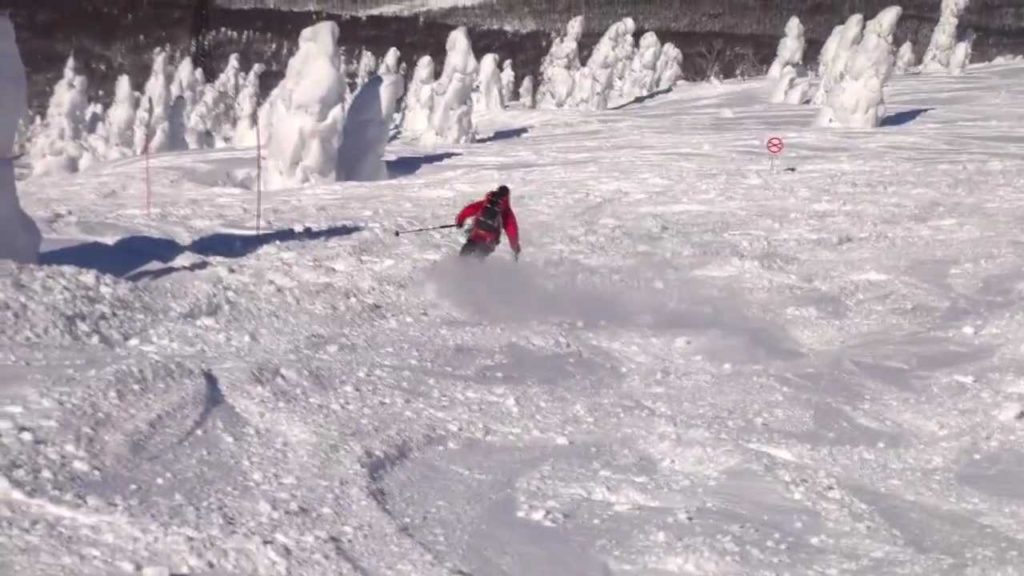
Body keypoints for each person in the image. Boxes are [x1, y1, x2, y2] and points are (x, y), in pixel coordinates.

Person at [455, 185, 521, 260]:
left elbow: (469, 209)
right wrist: (515, 247)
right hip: (490, 240)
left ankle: (459, 265)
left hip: (476, 233)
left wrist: (460, 221)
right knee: (479, 258)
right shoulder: (507, 212)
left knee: (466, 252)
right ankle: (476, 269)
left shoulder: (485, 203)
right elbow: (512, 231)